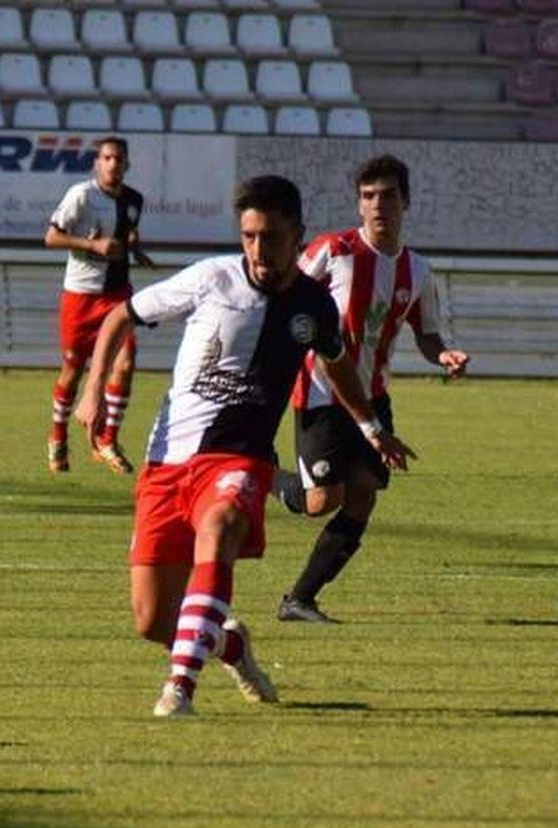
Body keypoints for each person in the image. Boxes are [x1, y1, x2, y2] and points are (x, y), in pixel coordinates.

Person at [75, 175, 407, 718]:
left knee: (222, 524)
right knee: (152, 621)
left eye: (270, 237)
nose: (257, 249)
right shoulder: (211, 279)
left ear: (297, 236)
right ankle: (230, 645)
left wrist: (371, 427)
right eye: (249, 236)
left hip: (239, 456)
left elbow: (337, 364)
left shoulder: (314, 306)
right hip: (168, 461)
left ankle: (178, 690)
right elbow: (121, 316)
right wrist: (93, 393)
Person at [273, 154, 469, 624]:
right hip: (321, 391)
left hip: (373, 395)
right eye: (368, 196)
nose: (378, 205)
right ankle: (264, 473)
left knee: (362, 493)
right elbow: (283, 293)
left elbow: (427, 333)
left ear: (406, 202)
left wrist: (443, 354)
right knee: (321, 501)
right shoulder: (333, 250)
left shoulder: (417, 271)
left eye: (387, 196)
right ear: (359, 205)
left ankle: (300, 599)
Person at [43, 136, 153, 476]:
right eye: (107, 158)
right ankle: (58, 435)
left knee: (126, 360)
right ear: (96, 163)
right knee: (73, 371)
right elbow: (51, 237)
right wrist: (92, 246)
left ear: (127, 164)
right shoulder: (81, 195)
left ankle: (107, 439)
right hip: (81, 296)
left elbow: (128, 231)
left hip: (116, 295)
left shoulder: (134, 200)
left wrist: (135, 250)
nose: (113, 164)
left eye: (118, 158)